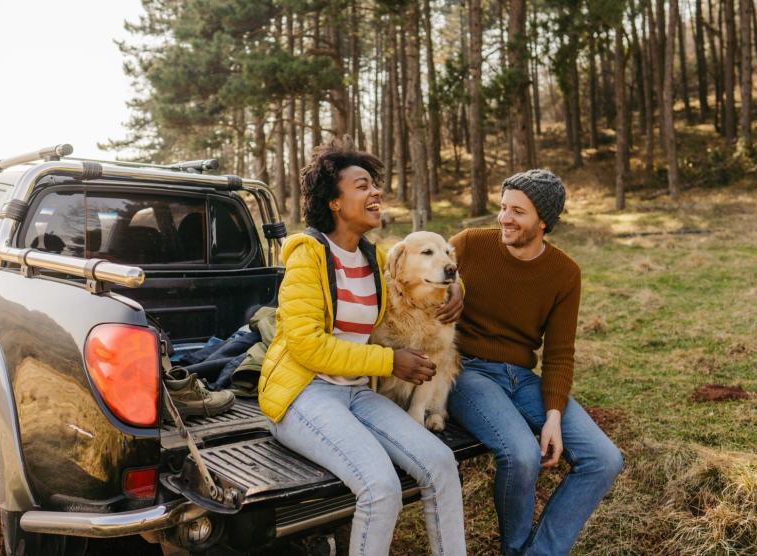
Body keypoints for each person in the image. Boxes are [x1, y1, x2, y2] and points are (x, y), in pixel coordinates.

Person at [258, 138, 467, 556]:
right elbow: (307, 346)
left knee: (442, 465)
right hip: (305, 393)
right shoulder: (308, 256)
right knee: (380, 485)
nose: (376, 193)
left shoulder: (373, 257)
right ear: (334, 202)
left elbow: (422, 271)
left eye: (375, 185)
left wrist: (458, 285)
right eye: (362, 185)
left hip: (357, 391)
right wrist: (390, 360)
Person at [446, 169, 623, 556]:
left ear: (543, 221)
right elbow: (424, 275)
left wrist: (554, 415)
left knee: (604, 459)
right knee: (522, 454)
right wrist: (451, 289)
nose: (504, 219)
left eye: (517, 212)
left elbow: (560, 353)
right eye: (503, 207)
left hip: (522, 378)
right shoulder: (470, 245)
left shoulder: (564, 273)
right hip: (466, 371)